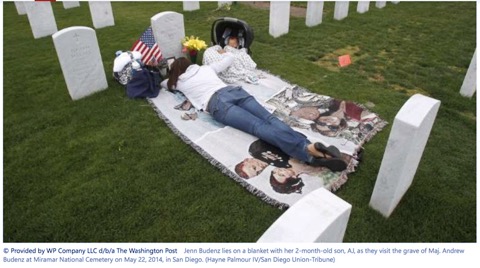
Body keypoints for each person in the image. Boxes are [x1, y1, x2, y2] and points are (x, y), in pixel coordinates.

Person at [165, 55, 347, 171]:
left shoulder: (178, 82)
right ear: (190, 64)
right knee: (270, 119)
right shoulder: (205, 68)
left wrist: (168, 71)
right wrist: (221, 53)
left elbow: (161, 84)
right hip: (234, 91)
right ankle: (312, 147)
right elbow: (228, 58)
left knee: (258, 127)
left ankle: (308, 153)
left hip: (217, 103)